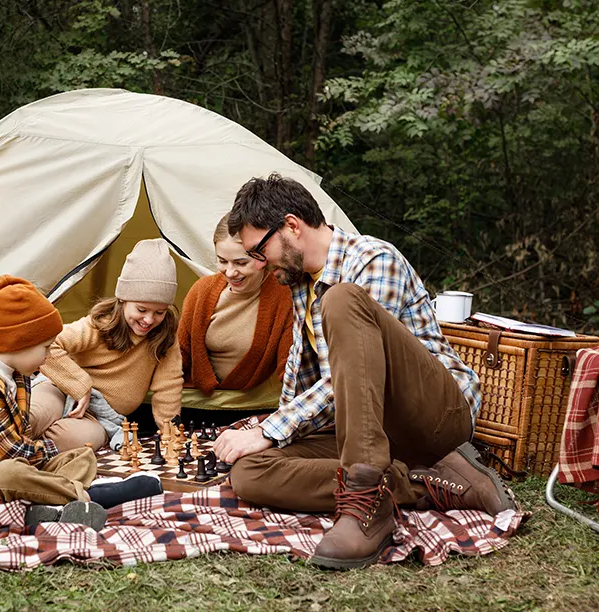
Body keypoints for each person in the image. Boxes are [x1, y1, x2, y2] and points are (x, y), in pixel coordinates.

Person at [213, 173, 516, 570]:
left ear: (291, 225)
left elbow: (360, 373)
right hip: (366, 430)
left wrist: (271, 429)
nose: (258, 263)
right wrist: (269, 438)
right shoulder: (300, 283)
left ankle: (367, 502)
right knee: (250, 473)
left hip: (435, 418)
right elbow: (304, 378)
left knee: (341, 301)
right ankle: (422, 482)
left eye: (258, 250)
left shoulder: (373, 259)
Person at [0, 275, 162, 529]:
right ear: (17, 344)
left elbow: (22, 444)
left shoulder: (16, 373)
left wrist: (48, 456)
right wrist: (45, 454)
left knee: (82, 455)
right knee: (12, 473)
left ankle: (50, 508)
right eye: (45, 348)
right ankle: (91, 496)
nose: (48, 357)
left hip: (1, 461)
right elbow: (11, 454)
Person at [29, 239, 183, 451]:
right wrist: (79, 384)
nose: (148, 319)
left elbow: (168, 387)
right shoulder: (100, 324)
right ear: (122, 300)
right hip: (59, 390)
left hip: (99, 417)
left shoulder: (165, 337)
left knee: (77, 442)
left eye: (159, 312)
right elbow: (48, 344)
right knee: (34, 416)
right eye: (141, 309)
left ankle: (24, 453)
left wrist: (170, 432)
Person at [179, 213, 292, 396]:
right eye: (222, 261)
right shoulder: (201, 291)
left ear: (262, 257)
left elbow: (290, 366)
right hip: (197, 400)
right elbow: (180, 353)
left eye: (240, 263)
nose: (230, 272)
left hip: (251, 404)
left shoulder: (283, 296)